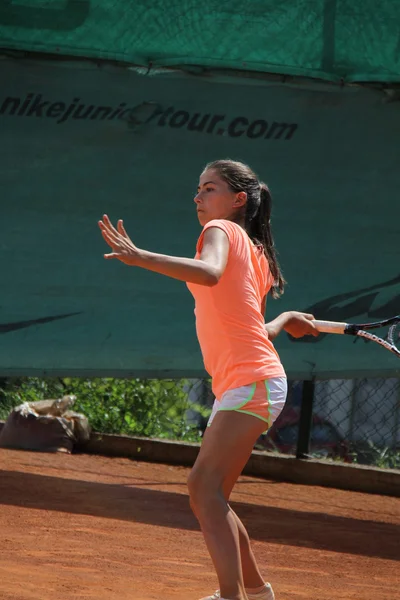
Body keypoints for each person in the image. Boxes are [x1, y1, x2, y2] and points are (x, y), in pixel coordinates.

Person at [98, 159, 319, 600]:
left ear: (238, 200)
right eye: (198, 189)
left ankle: (232, 596)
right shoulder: (256, 253)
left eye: (208, 188)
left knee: (203, 488)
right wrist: (287, 317)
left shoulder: (222, 232)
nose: (197, 197)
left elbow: (210, 273)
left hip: (251, 380)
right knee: (213, 495)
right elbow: (252, 326)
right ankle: (256, 593)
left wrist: (143, 258)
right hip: (249, 380)